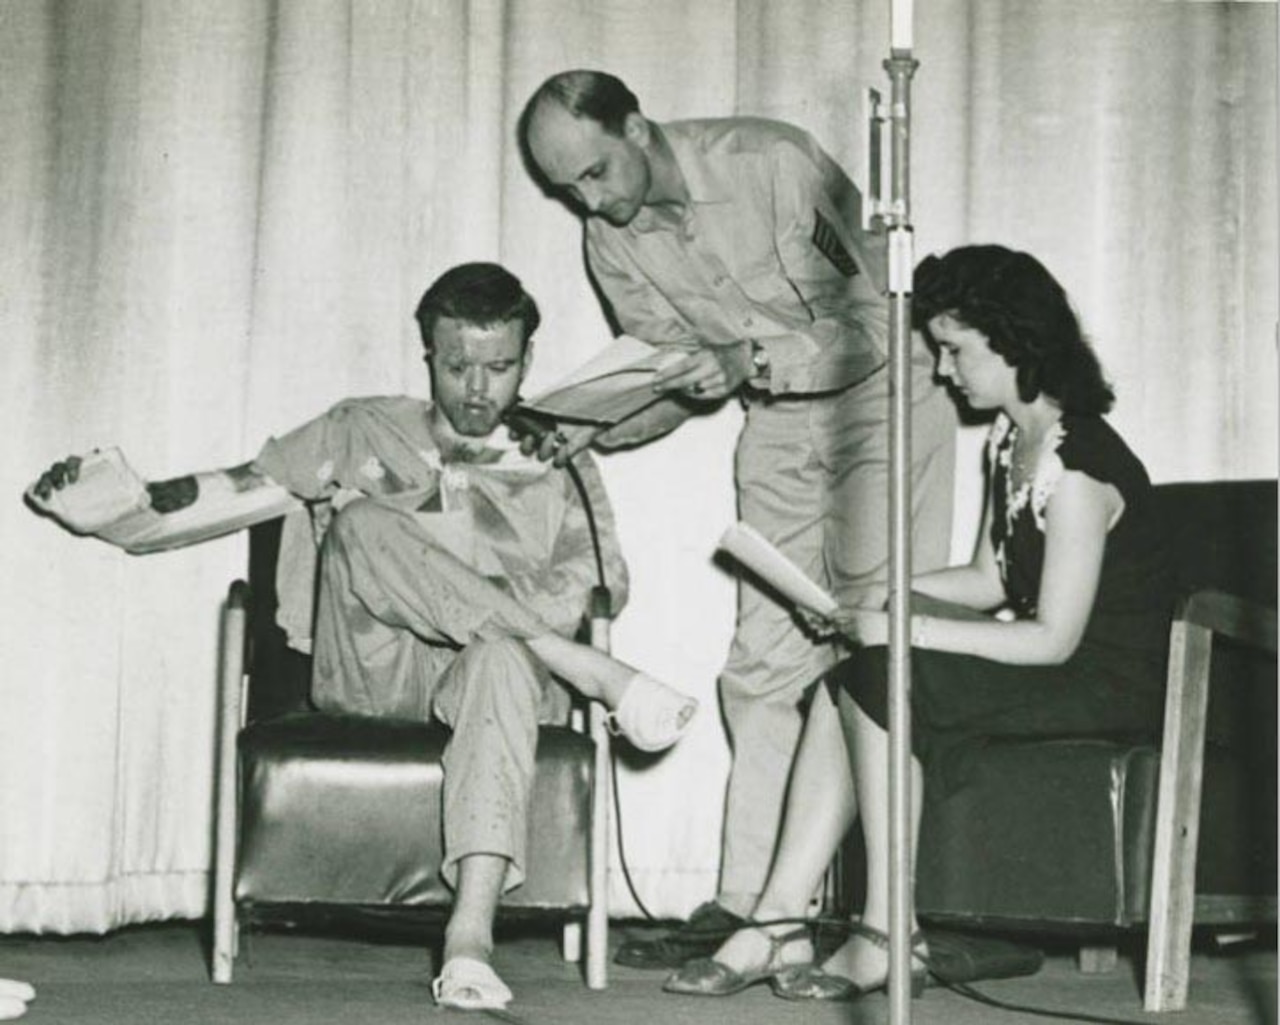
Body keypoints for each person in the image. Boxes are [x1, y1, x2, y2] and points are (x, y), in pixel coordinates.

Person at [30, 262, 698, 1012]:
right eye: (457, 366)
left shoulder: (553, 457)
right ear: (427, 357)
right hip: (372, 673)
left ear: (528, 362)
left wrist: (477, 598)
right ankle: (591, 670)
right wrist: (122, 510)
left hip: (490, 684)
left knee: (502, 654)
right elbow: (229, 493)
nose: (478, 390)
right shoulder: (360, 431)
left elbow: (599, 580)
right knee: (363, 522)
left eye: (500, 367)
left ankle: (469, 943)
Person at [519, 69, 957, 963]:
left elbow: (882, 313)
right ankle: (756, 905)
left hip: (888, 403)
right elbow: (673, 385)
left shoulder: (774, 162)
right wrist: (585, 432)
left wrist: (743, 354)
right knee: (761, 664)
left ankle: (886, 916)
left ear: (638, 126)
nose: (590, 204)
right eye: (567, 190)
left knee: (874, 650)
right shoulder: (611, 246)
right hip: (780, 421)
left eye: (596, 173)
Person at [662, 244, 1172, 1000]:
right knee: (850, 674)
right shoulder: (1015, 439)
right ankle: (778, 918)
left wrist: (900, 631)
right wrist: (873, 601)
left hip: (1106, 680)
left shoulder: (1081, 468)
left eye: (954, 350)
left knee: (878, 669)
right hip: (1061, 665)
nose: (940, 370)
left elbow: (1054, 636)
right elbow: (989, 577)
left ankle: (884, 932)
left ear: (1016, 341)